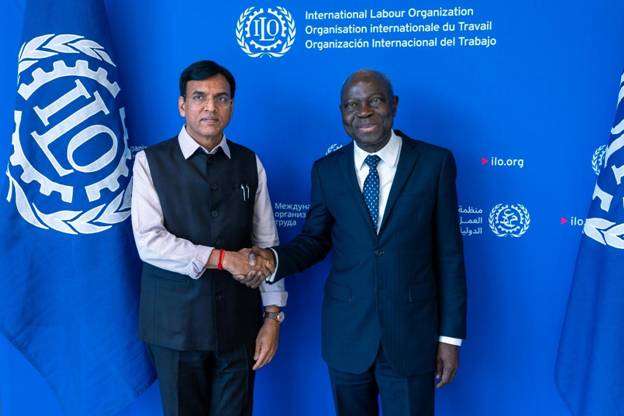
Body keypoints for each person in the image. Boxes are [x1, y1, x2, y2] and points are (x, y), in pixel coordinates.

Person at [244, 70, 467, 415]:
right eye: (352, 105)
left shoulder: (434, 163)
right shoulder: (326, 171)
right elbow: (314, 241)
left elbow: (449, 255)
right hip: (347, 337)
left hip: (411, 336)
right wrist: (273, 260)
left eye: (375, 101)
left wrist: (449, 338)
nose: (363, 112)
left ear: (393, 105)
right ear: (342, 113)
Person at [131, 60, 286, 416]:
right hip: (175, 330)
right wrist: (223, 258)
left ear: (231, 106)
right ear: (182, 105)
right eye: (199, 97)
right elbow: (149, 241)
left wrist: (272, 316)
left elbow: (267, 243)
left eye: (221, 98)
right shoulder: (150, 162)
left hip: (238, 327)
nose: (210, 107)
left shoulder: (250, 162)